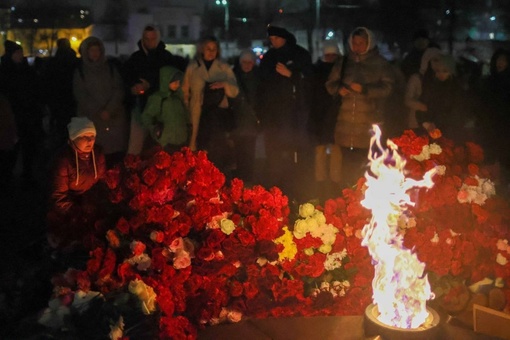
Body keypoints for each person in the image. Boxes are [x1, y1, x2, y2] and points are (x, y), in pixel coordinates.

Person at [325, 27, 394, 187]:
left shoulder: (380, 63)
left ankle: (363, 197)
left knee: (365, 164)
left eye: (361, 43)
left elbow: (388, 88)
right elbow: (330, 83)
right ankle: (346, 196)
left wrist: (365, 90)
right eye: (354, 43)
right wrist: (338, 89)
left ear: (369, 43)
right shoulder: (343, 62)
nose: (357, 47)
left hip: (367, 123)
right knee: (346, 164)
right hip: (344, 123)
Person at [257, 24, 313, 198]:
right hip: (273, 115)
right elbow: (262, 86)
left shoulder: (300, 54)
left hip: (293, 114)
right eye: (271, 39)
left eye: (276, 38)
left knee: (293, 152)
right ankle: (274, 191)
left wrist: (292, 75)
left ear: (284, 38)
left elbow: (310, 80)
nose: (273, 42)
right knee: (274, 154)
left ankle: (297, 189)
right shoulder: (269, 57)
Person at [122, 25, 188, 155]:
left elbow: (171, 80)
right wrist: (132, 89)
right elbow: (126, 78)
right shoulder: (135, 58)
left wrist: (150, 86)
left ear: (158, 38)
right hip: (140, 106)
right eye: (147, 38)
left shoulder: (166, 57)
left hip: (161, 111)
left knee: (159, 149)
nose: (149, 42)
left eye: (153, 38)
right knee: (135, 147)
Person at [182, 35, 239, 177]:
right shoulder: (193, 67)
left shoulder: (223, 67)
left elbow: (234, 90)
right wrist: (186, 110)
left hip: (218, 117)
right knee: (198, 148)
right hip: (197, 114)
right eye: (208, 48)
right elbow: (185, 91)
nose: (211, 52)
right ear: (202, 49)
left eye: (214, 49)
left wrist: (224, 85)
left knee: (218, 149)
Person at [47, 117, 106, 250]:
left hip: (90, 202)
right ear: (73, 138)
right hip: (70, 207)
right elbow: (58, 196)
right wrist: (77, 212)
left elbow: (101, 183)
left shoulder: (98, 153)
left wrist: (94, 204)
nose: (90, 140)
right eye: (84, 136)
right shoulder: (64, 160)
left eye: (92, 136)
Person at [73, 36, 128, 168]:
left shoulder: (110, 68)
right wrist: (98, 110)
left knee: (115, 155)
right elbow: (80, 94)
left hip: (113, 118)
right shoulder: (80, 72)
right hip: (92, 119)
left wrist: (109, 109)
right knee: (96, 155)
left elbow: (118, 88)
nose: (95, 53)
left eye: (97, 50)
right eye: (92, 50)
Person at [0, 40, 45, 186]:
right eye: (17, 53)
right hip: (12, 116)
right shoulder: (5, 72)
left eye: (20, 52)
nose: (20, 55)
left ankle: (27, 175)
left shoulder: (26, 70)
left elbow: (36, 89)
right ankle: (7, 177)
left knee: (28, 147)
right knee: (11, 149)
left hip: (29, 115)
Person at [308, 42, 342, 200]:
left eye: (333, 55)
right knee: (320, 150)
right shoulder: (317, 71)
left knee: (335, 150)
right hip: (321, 115)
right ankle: (321, 181)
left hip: (335, 115)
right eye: (328, 55)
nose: (330, 57)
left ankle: (334, 181)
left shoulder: (341, 70)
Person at [414, 54, 466, 141]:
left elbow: (456, 112)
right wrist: (426, 123)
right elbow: (421, 106)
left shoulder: (456, 89)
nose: (441, 74)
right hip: (429, 131)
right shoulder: (431, 87)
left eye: (445, 71)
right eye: (438, 71)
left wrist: (437, 123)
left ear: (451, 71)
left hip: (449, 133)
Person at [141, 66, 190, 154]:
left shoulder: (178, 98)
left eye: (179, 82)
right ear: (166, 80)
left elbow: (185, 116)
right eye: (174, 82)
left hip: (180, 141)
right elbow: (147, 116)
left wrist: (188, 128)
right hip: (165, 142)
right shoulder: (158, 98)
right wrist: (155, 130)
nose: (177, 84)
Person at [230, 49, 261, 184]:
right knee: (238, 154)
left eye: (250, 62)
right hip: (237, 122)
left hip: (250, 123)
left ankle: (247, 181)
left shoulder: (258, 78)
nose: (247, 65)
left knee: (249, 154)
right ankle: (239, 182)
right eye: (244, 62)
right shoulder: (233, 77)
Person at [42, 38, 78, 149]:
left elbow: (46, 83)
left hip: (57, 101)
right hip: (73, 99)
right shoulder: (74, 61)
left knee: (61, 128)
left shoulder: (53, 62)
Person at [404, 47, 442, 130]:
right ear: (427, 60)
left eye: (439, 60)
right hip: (416, 122)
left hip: (434, 122)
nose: (437, 63)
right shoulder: (416, 78)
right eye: (434, 60)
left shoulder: (439, 78)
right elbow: (407, 100)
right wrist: (422, 106)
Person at [0, 93, 18, 190]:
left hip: (5, 139)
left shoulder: (4, 102)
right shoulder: (4, 102)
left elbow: (9, 120)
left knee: (5, 162)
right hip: (5, 139)